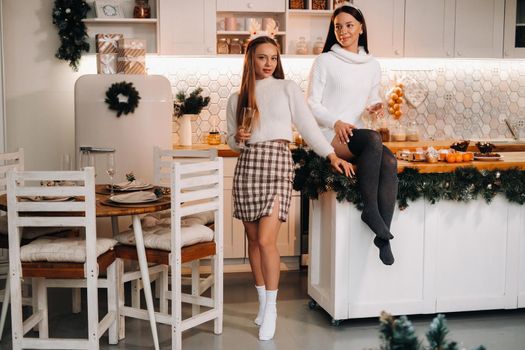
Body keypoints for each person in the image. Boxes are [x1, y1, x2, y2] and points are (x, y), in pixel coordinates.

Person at [227, 35, 353, 341]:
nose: (269, 64)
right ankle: (261, 302)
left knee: (268, 241)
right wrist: (238, 139)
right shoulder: (236, 97)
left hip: (277, 165)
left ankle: (271, 307)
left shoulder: (287, 88)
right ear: (250, 60)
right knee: (254, 241)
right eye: (262, 58)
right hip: (248, 167)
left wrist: (331, 154)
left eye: (273, 58)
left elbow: (308, 127)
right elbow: (231, 140)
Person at [307, 4, 398, 266]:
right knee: (372, 139)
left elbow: (370, 102)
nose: (343, 31)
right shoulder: (324, 61)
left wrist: (375, 107)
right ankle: (370, 209)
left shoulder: (372, 65)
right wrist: (335, 122)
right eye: (338, 26)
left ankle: (383, 238)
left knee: (390, 161)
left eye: (349, 25)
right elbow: (311, 103)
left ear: (361, 27)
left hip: (357, 136)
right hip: (330, 134)